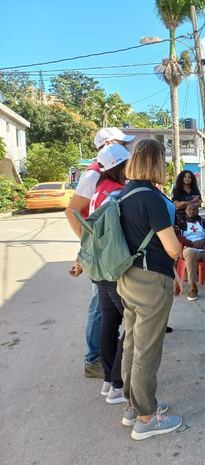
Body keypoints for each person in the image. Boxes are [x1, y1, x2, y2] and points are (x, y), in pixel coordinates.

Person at [117, 139, 184, 440]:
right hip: (151, 281)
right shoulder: (152, 199)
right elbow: (171, 248)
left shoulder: (123, 195)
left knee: (132, 343)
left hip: (127, 277)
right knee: (147, 350)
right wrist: (180, 249)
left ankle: (132, 406)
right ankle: (146, 416)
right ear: (155, 163)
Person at [65, 127, 135, 378]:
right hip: (102, 252)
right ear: (108, 145)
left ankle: (106, 363)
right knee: (104, 309)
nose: (126, 148)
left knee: (106, 311)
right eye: (121, 144)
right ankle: (96, 360)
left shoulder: (106, 178)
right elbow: (73, 211)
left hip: (99, 248)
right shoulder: (95, 175)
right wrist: (87, 251)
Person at [89, 144, 131, 404]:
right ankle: (117, 383)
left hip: (98, 266)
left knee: (109, 322)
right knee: (134, 323)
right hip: (112, 266)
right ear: (120, 166)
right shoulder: (117, 194)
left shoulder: (98, 191)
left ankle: (108, 380)